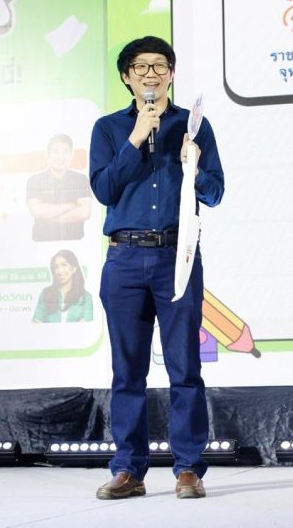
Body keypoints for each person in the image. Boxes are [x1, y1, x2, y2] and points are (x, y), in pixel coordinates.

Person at [89, 35, 224, 500]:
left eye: (160, 65)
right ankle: (129, 469)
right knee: (127, 371)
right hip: (124, 258)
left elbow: (215, 193)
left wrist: (194, 167)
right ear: (126, 77)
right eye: (141, 67)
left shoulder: (193, 126)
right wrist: (135, 139)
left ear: (171, 73)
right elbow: (104, 190)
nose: (151, 73)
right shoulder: (108, 129)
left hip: (176, 255)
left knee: (185, 367)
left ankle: (188, 469)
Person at [26, 133, 93, 241]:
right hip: (42, 242)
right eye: (55, 151)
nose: (60, 157)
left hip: (75, 243)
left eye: (65, 151)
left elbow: (84, 212)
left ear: (71, 154)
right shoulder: (35, 180)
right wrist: (70, 206)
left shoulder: (81, 179)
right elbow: (38, 211)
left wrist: (48, 215)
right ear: (48, 154)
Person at [32, 249, 93, 323]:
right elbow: (36, 321)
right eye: (56, 267)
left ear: (74, 268)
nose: (60, 271)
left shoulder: (86, 297)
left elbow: (87, 324)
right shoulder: (46, 293)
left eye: (64, 265)